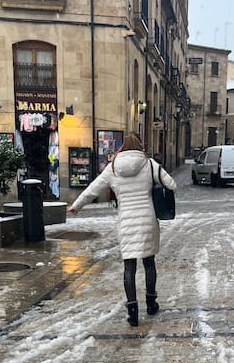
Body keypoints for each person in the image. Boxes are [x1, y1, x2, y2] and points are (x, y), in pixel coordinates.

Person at [68, 134, 177, 328]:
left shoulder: (113, 168)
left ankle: (132, 312)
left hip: (126, 222)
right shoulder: (149, 164)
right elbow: (172, 185)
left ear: (121, 148)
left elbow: (93, 189)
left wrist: (76, 206)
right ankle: (151, 304)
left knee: (129, 267)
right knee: (149, 263)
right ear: (140, 146)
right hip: (147, 219)